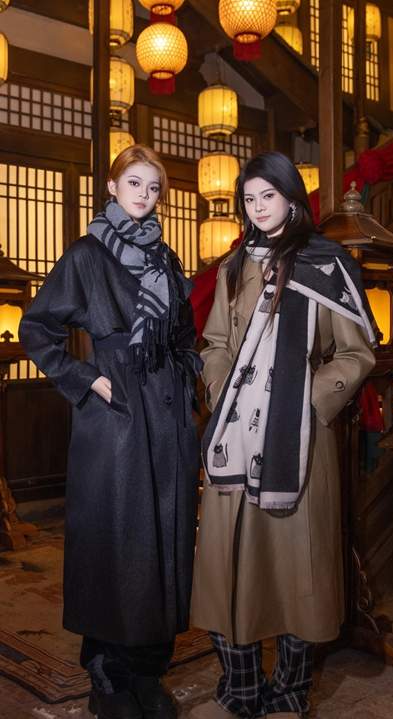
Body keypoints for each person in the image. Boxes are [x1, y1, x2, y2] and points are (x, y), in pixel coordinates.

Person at [189, 151, 376, 719]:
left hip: (300, 441)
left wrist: (308, 400)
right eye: (249, 199)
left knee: (299, 570)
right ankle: (239, 691)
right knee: (226, 565)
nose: (258, 207)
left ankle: (290, 695)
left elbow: (356, 353)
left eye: (267, 195)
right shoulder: (234, 265)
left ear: (292, 198)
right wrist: (222, 388)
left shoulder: (326, 263)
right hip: (236, 436)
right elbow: (215, 343)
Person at [19, 144, 201, 719]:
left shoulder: (166, 258)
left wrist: (188, 380)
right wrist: (86, 378)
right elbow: (36, 328)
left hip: (167, 414)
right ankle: (107, 676)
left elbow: (184, 332)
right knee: (115, 540)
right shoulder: (87, 254)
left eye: (154, 187)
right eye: (135, 183)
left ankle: (148, 672)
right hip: (116, 411)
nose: (144, 195)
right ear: (113, 186)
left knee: (166, 538)